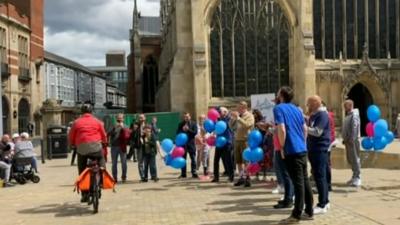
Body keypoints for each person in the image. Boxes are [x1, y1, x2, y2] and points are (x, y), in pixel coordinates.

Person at [273, 86, 313, 222]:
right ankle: (309, 211)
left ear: (281, 96)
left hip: (291, 149)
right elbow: (305, 129)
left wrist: (283, 146)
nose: (277, 96)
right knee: (304, 180)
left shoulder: (278, 108)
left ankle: (296, 214)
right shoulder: (297, 109)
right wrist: (303, 143)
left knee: (298, 183)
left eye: (278, 94)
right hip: (302, 148)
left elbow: (282, 129)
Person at [69, 103, 107, 203]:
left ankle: (84, 194)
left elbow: (71, 136)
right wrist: (105, 142)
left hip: (82, 148)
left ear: (81, 112)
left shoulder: (76, 122)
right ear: (91, 112)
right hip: (95, 147)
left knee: (81, 170)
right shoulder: (97, 121)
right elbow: (103, 135)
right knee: (101, 159)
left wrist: (72, 144)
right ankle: (102, 179)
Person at [306, 96, 331, 214]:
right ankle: (325, 201)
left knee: (320, 177)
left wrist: (305, 129)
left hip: (320, 149)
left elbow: (317, 132)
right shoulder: (315, 115)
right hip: (314, 149)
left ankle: (322, 204)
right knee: (319, 176)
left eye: (309, 103)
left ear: (316, 103)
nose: (308, 106)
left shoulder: (322, 115)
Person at [230, 101, 255, 187]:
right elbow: (231, 127)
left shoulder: (250, 116)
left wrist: (239, 118)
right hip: (237, 140)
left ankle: (247, 178)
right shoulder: (238, 116)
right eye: (237, 107)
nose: (237, 109)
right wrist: (232, 119)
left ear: (244, 107)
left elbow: (248, 125)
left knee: (246, 161)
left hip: (245, 140)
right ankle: (241, 178)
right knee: (239, 161)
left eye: (239, 108)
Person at [212, 107, 234, 182]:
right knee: (216, 160)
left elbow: (229, 126)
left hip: (227, 142)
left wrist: (226, 115)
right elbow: (214, 129)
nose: (219, 114)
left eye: (220, 112)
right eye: (218, 112)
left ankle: (231, 176)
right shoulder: (217, 120)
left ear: (224, 112)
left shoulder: (229, 119)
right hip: (219, 142)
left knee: (228, 160)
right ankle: (216, 177)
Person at [342, 99, 361, 187]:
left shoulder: (354, 115)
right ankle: (354, 176)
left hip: (353, 141)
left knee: (355, 158)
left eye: (345, 106)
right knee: (351, 159)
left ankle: (357, 177)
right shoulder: (348, 115)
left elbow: (355, 127)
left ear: (350, 106)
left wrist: (352, 138)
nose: (344, 107)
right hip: (348, 140)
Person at [108, 113, 129, 183]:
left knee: (124, 163)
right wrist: (114, 128)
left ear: (123, 119)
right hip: (114, 147)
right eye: (118, 118)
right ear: (116, 119)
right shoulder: (113, 125)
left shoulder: (126, 126)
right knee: (114, 163)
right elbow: (108, 133)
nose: (120, 119)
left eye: (121, 118)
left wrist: (123, 128)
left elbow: (128, 135)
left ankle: (124, 176)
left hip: (123, 147)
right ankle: (114, 178)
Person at [177, 112, 198, 178]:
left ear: (190, 117)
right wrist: (182, 130)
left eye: (187, 117)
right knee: (183, 159)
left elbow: (195, 133)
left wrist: (188, 130)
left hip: (191, 144)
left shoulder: (194, 124)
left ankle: (194, 172)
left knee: (193, 159)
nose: (186, 118)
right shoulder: (181, 124)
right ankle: (183, 173)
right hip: (183, 145)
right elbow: (177, 133)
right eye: (185, 117)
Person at [130, 114, 147, 180]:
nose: (141, 119)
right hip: (139, 146)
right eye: (140, 118)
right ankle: (142, 176)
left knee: (147, 162)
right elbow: (132, 135)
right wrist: (134, 130)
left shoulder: (147, 125)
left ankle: (147, 175)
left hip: (147, 146)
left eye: (142, 118)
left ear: (145, 118)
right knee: (140, 162)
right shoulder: (136, 126)